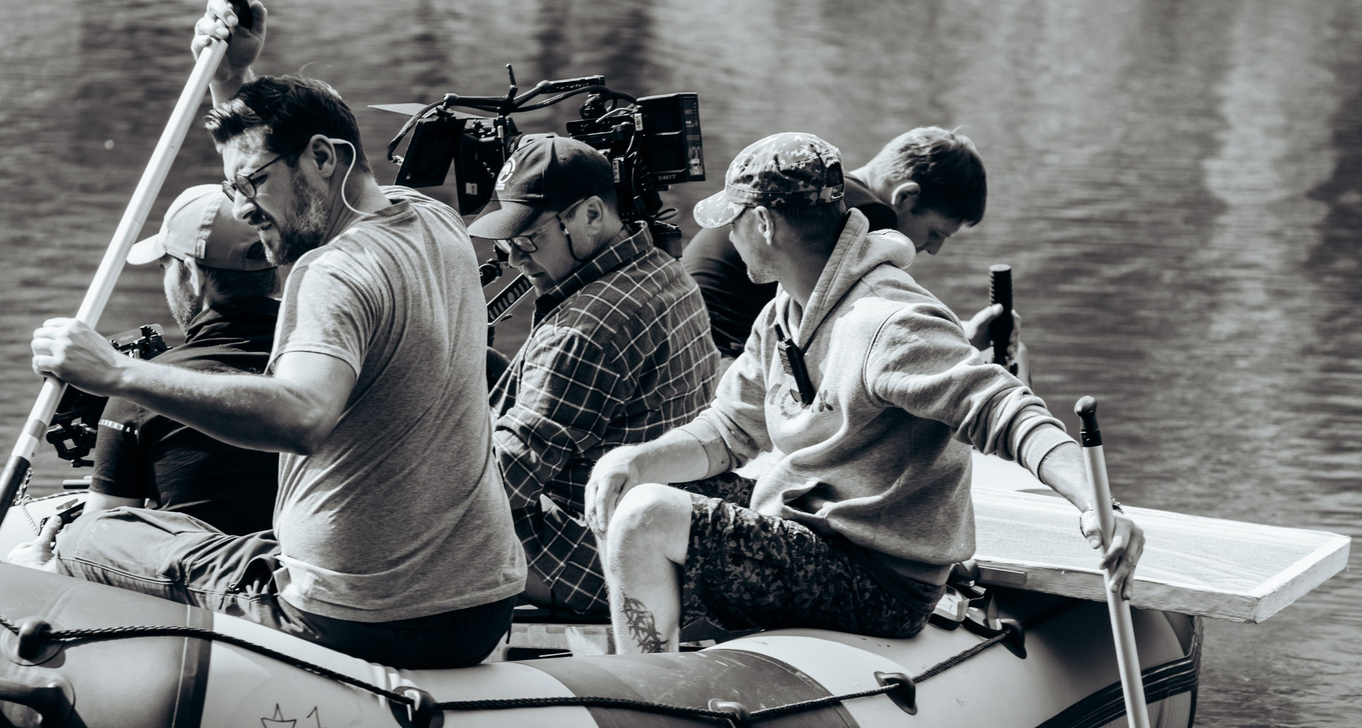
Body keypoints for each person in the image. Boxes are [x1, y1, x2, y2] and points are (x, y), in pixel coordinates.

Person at [34, 0, 524, 669]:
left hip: (350, 618)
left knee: (93, 534)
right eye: (231, 190)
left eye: (253, 185)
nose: (244, 209)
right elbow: (278, 152)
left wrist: (116, 372)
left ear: (325, 158)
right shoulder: (436, 222)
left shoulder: (335, 272)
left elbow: (299, 414)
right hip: (481, 607)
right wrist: (233, 78)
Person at [584, 133, 1142, 655]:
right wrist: (634, 461)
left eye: (733, 220)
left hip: (880, 578)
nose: (727, 234)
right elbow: (730, 430)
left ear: (762, 223)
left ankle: (647, 692)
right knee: (645, 483)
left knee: (647, 515)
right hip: (815, 537)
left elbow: (1005, 407)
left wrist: (1097, 502)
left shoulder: (885, 319)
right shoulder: (782, 313)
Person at [469, 134, 720, 616]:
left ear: (589, 215)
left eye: (529, 239)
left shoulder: (585, 329)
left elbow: (498, 484)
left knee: (439, 505)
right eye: (506, 243)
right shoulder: (664, 271)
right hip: (671, 529)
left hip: (596, 558)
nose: (516, 260)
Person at [683, 125, 1001, 361]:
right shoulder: (865, 218)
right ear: (905, 196)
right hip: (722, 355)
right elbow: (862, 342)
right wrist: (963, 343)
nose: (934, 249)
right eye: (935, 233)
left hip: (695, 340)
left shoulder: (819, 190)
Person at [75, 184, 281, 533]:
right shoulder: (327, 371)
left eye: (164, 266)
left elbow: (97, 539)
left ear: (194, 275)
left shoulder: (139, 391)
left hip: (202, 581)